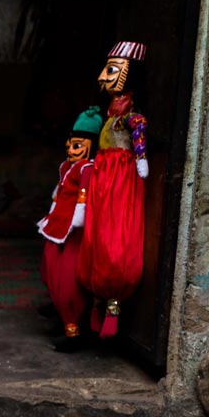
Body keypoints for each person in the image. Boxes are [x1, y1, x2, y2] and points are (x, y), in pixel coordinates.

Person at [78, 41, 148, 339]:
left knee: (116, 234)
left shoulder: (133, 117)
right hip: (104, 176)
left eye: (111, 71)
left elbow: (139, 136)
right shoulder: (109, 116)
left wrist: (141, 159)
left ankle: (112, 302)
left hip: (120, 177)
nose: (102, 78)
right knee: (98, 232)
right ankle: (96, 299)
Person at [38, 106, 103, 352]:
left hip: (73, 230)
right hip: (56, 225)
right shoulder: (67, 167)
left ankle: (73, 330)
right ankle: (59, 312)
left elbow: (84, 200)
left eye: (78, 145)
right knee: (50, 269)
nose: (70, 149)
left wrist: (78, 220)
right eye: (70, 144)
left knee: (68, 281)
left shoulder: (87, 169)